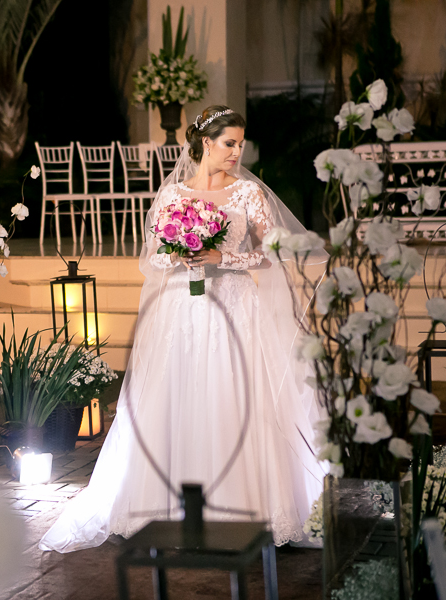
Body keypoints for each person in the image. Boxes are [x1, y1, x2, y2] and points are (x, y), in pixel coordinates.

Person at [39, 106, 327, 553]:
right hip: (181, 312)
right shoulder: (173, 195)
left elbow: (273, 256)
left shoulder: (249, 195)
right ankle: (168, 506)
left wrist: (221, 258)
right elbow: (150, 260)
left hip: (233, 309)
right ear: (206, 143)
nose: (237, 151)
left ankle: (246, 507)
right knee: (178, 398)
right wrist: (176, 256)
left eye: (240, 143)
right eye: (229, 143)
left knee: (233, 398)